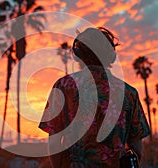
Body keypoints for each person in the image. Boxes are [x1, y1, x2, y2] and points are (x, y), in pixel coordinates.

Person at [38, 27, 151, 168]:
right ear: (112, 55)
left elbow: (54, 143)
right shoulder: (129, 93)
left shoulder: (63, 86)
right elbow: (137, 150)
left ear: (77, 55)